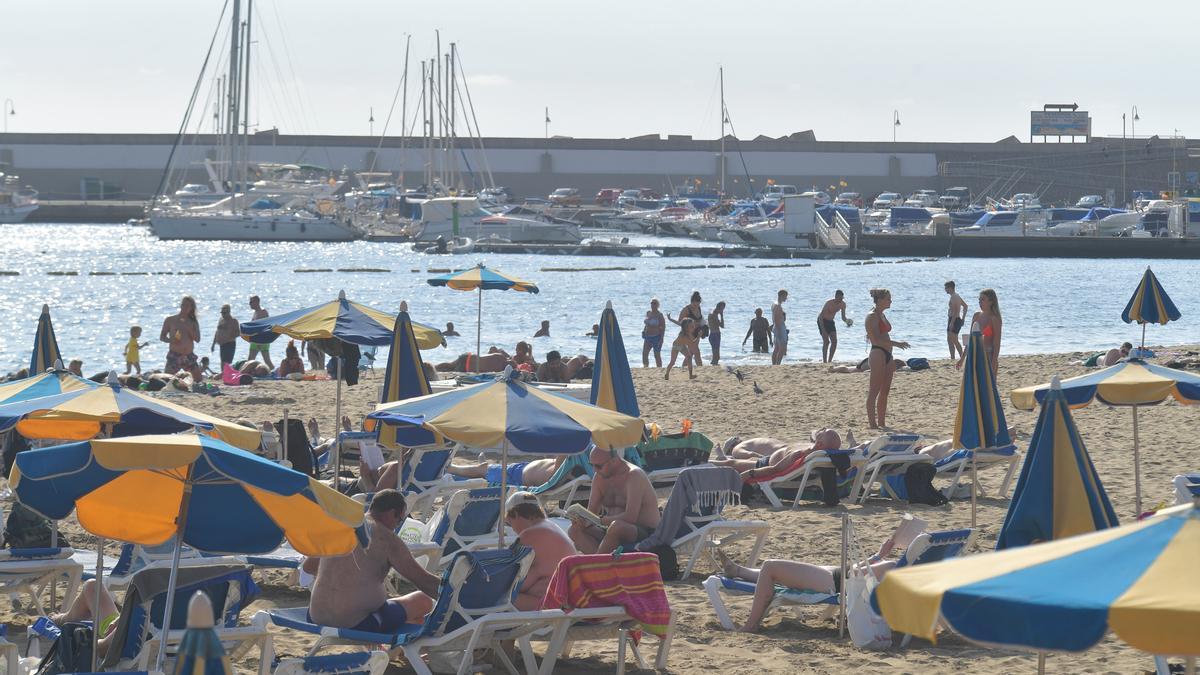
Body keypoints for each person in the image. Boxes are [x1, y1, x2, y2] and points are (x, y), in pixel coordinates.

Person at [303, 490, 439, 632]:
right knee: (423, 601)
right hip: (356, 624)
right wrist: (455, 594)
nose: (396, 526)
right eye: (399, 520)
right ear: (392, 513)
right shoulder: (386, 539)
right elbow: (423, 581)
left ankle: (393, 653)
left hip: (315, 617)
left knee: (393, 609)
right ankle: (398, 651)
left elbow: (309, 566)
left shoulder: (341, 525)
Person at [716, 532, 899, 632]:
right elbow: (860, 574)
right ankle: (739, 571)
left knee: (770, 566)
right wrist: (878, 556)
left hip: (833, 582)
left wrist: (879, 557)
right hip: (836, 575)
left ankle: (751, 625)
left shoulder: (893, 567)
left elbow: (857, 576)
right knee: (783, 571)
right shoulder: (895, 569)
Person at [567, 446, 661, 554]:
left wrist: (603, 520)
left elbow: (631, 517)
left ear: (614, 461)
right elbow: (591, 513)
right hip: (609, 529)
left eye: (598, 466)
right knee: (574, 530)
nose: (594, 470)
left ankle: (597, 565)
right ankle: (601, 565)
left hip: (644, 530)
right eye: (591, 465)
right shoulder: (599, 477)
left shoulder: (634, 475)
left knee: (616, 527)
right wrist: (581, 520)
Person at [505, 492, 578, 610]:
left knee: (498, 599)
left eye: (510, 522)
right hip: (568, 598)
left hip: (552, 605)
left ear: (516, 514)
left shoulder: (528, 535)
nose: (512, 529)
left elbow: (515, 585)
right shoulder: (551, 527)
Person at [711, 429, 841, 480]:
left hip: (765, 464)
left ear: (819, 444)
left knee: (731, 463)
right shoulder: (819, 452)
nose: (822, 429)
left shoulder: (800, 454)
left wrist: (749, 474)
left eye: (824, 431)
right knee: (731, 462)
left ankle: (704, 463)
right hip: (770, 460)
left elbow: (775, 469)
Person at [866, 289, 909, 429]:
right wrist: (897, 344)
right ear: (880, 300)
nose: (890, 301)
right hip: (878, 353)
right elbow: (876, 340)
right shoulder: (871, 316)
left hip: (888, 354)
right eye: (888, 298)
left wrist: (893, 347)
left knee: (885, 390)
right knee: (874, 390)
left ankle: (882, 423)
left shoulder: (882, 315)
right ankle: (872, 424)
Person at [47, 578, 121, 654]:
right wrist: (120, 620)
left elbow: (103, 648)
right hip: (121, 625)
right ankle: (64, 619)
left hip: (115, 638)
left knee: (92, 586)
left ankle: (62, 619)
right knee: (92, 585)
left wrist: (91, 643)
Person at [439, 456, 567, 489]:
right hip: (521, 469)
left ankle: (451, 469)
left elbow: (556, 472)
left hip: (515, 477)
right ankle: (482, 467)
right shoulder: (575, 464)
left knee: (483, 470)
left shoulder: (560, 469)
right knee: (486, 469)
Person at [959, 288, 1003, 376]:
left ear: (991, 302)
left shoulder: (994, 319)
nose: (980, 302)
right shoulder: (976, 316)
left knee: (988, 388)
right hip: (975, 357)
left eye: (983, 300)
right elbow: (970, 340)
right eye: (979, 300)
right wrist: (962, 358)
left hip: (988, 357)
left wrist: (994, 361)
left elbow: (996, 343)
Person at [160, 295, 203, 381]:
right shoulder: (170, 320)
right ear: (181, 305)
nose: (185, 307)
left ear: (191, 308)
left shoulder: (193, 322)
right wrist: (170, 340)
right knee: (167, 380)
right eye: (183, 305)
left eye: (188, 305)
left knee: (199, 380)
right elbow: (162, 337)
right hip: (175, 354)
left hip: (189, 355)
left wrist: (189, 329)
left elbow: (197, 339)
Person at [670, 291, 705, 366]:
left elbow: (700, 319)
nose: (696, 306)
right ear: (691, 302)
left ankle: (684, 367)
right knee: (696, 352)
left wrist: (702, 325)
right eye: (694, 304)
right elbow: (680, 322)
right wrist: (691, 324)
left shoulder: (698, 308)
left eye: (698, 304)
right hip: (688, 333)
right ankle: (700, 368)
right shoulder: (686, 309)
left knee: (691, 352)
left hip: (697, 332)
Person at [818, 290, 849, 363]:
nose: (841, 300)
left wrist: (847, 322)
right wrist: (823, 330)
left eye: (842, 298)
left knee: (834, 341)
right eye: (839, 298)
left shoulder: (843, 304)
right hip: (822, 321)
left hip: (830, 322)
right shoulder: (829, 303)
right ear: (835, 297)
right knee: (826, 341)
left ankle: (829, 361)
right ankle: (824, 361)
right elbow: (820, 317)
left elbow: (843, 318)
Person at [247, 296, 275, 370]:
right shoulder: (255, 312)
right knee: (254, 359)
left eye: (251, 302)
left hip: (261, 339)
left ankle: (274, 372)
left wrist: (261, 341)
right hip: (256, 339)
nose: (249, 304)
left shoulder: (263, 312)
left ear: (257, 302)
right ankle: (273, 371)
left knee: (255, 359)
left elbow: (266, 327)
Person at [435, 347, 511, 373]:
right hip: (468, 368)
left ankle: (434, 367)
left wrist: (507, 355)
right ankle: (435, 369)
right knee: (451, 370)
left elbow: (492, 349)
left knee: (450, 364)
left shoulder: (500, 356)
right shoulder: (500, 370)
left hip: (469, 357)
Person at [945, 281, 968, 360]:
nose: (945, 290)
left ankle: (962, 356)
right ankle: (952, 357)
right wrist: (963, 318)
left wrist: (952, 322)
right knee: (949, 339)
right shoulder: (956, 296)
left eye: (946, 288)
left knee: (954, 340)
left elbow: (956, 311)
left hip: (954, 319)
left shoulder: (954, 297)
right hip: (955, 319)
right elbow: (965, 306)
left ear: (950, 288)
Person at [642, 298, 666, 368]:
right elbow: (647, 324)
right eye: (651, 303)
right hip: (648, 337)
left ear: (658, 305)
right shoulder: (649, 313)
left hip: (656, 337)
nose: (652, 304)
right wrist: (644, 331)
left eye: (654, 303)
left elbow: (663, 327)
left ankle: (659, 368)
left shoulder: (659, 315)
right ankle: (645, 367)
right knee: (645, 353)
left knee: (656, 354)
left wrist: (661, 338)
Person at [771, 290, 788, 365]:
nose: (786, 298)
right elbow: (776, 319)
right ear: (781, 295)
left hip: (777, 326)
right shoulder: (777, 306)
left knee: (777, 348)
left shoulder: (774, 304)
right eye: (785, 296)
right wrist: (779, 331)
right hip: (779, 326)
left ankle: (775, 364)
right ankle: (777, 364)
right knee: (782, 347)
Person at [828, 357, 905, 374]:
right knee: (848, 369)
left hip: (871, 358)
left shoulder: (890, 361)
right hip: (869, 362)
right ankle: (833, 369)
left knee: (850, 368)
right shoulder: (890, 365)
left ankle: (834, 369)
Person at [708, 301, 726, 365]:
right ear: (720, 308)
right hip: (715, 334)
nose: (723, 310)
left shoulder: (712, 313)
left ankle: (714, 364)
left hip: (713, 334)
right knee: (716, 355)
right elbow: (722, 325)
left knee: (715, 354)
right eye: (723, 308)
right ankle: (714, 364)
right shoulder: (714, 314)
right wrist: (721, 315)